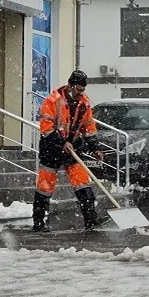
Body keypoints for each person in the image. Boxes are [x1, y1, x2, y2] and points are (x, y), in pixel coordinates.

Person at [33, 70, 104, 232]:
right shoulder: (53, 101)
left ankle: (90, 218)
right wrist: (61, 143)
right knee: (45, 186)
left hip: (74, 148)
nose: (81, 93)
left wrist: (95, 148)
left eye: (82, 90)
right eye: (78, 89)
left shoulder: (84, 103)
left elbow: (88, 128)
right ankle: (38, 222)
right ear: (70, 86)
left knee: (82, 183)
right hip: (51, 149)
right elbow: (46, 129)